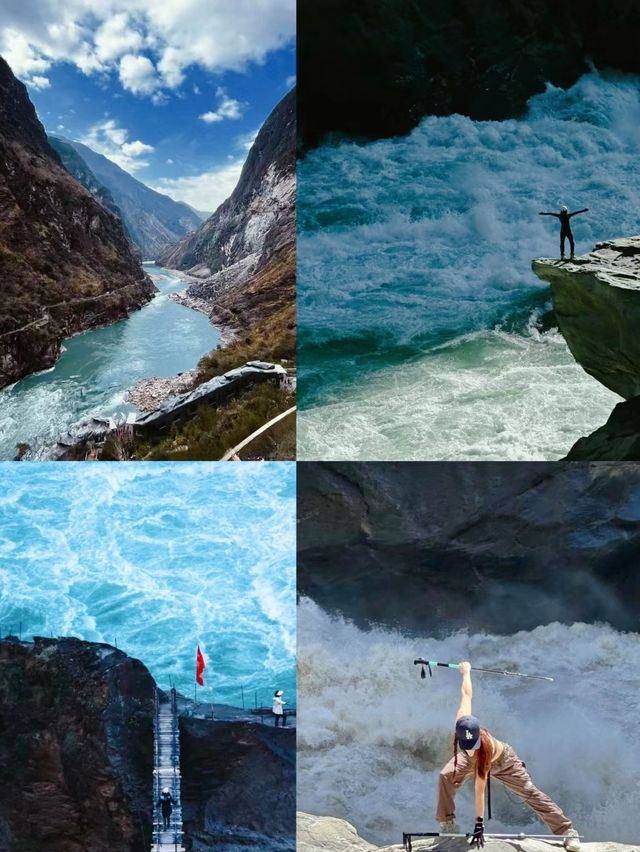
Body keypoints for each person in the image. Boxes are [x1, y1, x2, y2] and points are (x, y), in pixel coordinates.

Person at [437, 662, 581, 851]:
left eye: (472, 745)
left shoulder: (483, 748)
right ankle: (448, 824)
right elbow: (466, 694)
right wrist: (466, 672)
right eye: (466, 745)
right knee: (445, 776)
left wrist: (479, 824)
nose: (470, 748)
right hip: (473, 760)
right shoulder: (462, 720)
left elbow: (480, 790)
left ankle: (567, 831)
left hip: (503, 762)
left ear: (479, 734)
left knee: (529, 792)